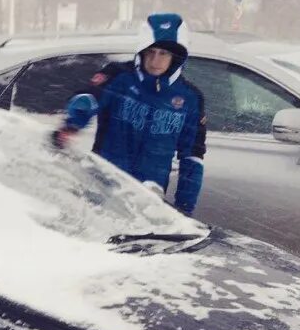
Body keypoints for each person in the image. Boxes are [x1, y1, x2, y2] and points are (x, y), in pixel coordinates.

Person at [52, 13, 206, 215]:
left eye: (164, 54)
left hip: (147, 199)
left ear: (176, 57)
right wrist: (71, 125)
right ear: (142, 51)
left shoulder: (191, 98)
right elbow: (89, 98)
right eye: (151, 52)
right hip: (102, 187)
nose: (155, 60)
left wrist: (185, 208)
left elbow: (192, 157)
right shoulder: (119, 76)